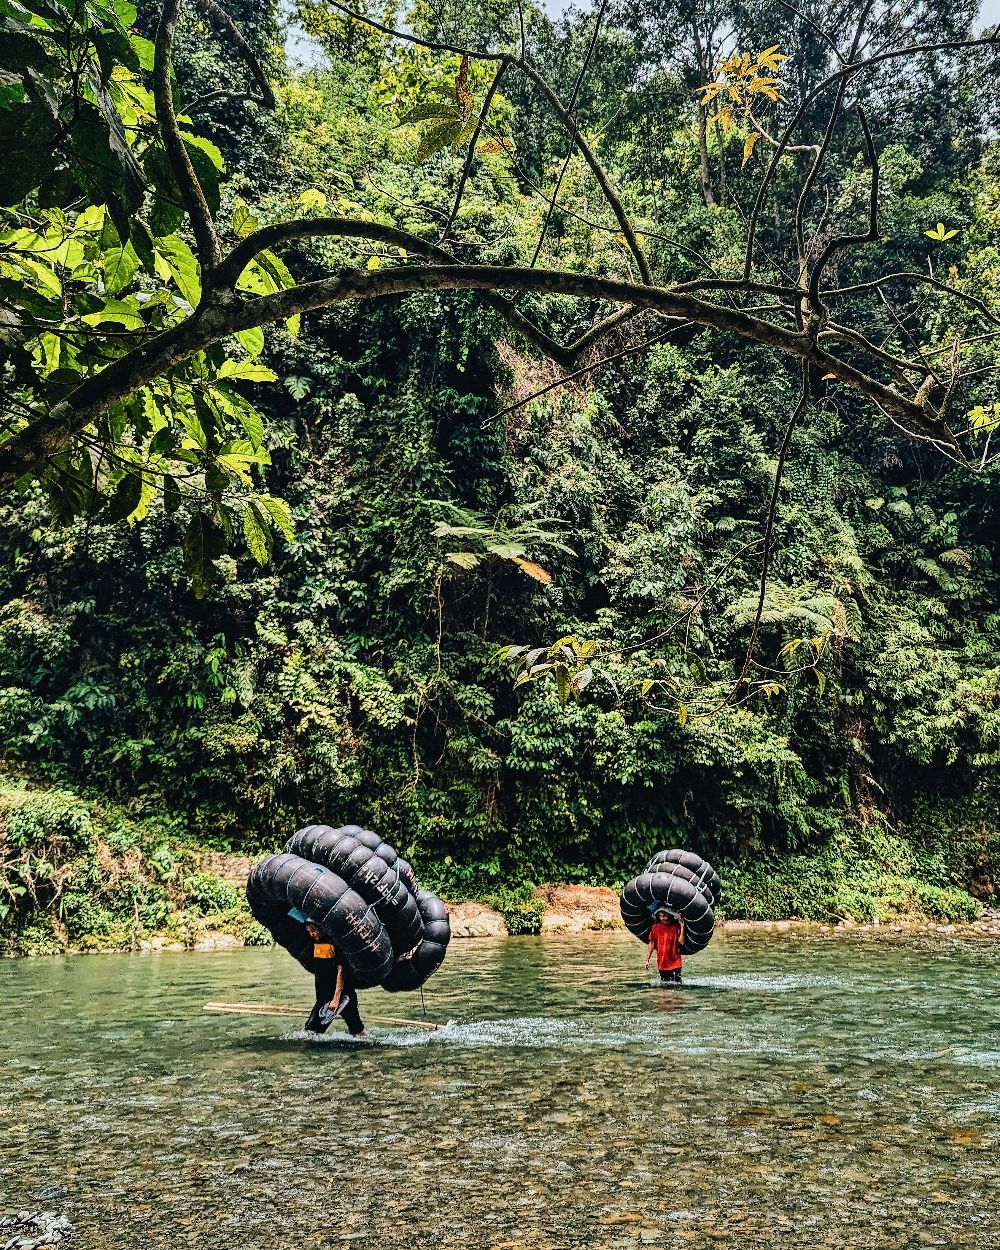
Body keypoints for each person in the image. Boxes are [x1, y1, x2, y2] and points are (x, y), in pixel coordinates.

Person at [301, 920, 368, 1037]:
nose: (311, 934)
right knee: (310, 1033)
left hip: (342, 998)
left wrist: (336, 999)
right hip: (324, 998)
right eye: (309, 932)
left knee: (310, 1034)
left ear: (321, 928)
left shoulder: (336, 943)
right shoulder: (316, 944)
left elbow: (341, 972)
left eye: (313, 931)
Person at [645, 907, 685, 986]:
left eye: (665, 915)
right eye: (661, 916)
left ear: (670, 915)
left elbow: (681, 942)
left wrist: (682, 927)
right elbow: (651, 944)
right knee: (664, 987)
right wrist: (647, 959)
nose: (663, 918)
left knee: (677, 986)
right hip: (662, 963)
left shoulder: (676, 927)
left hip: (675, 963)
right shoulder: (655, 927)